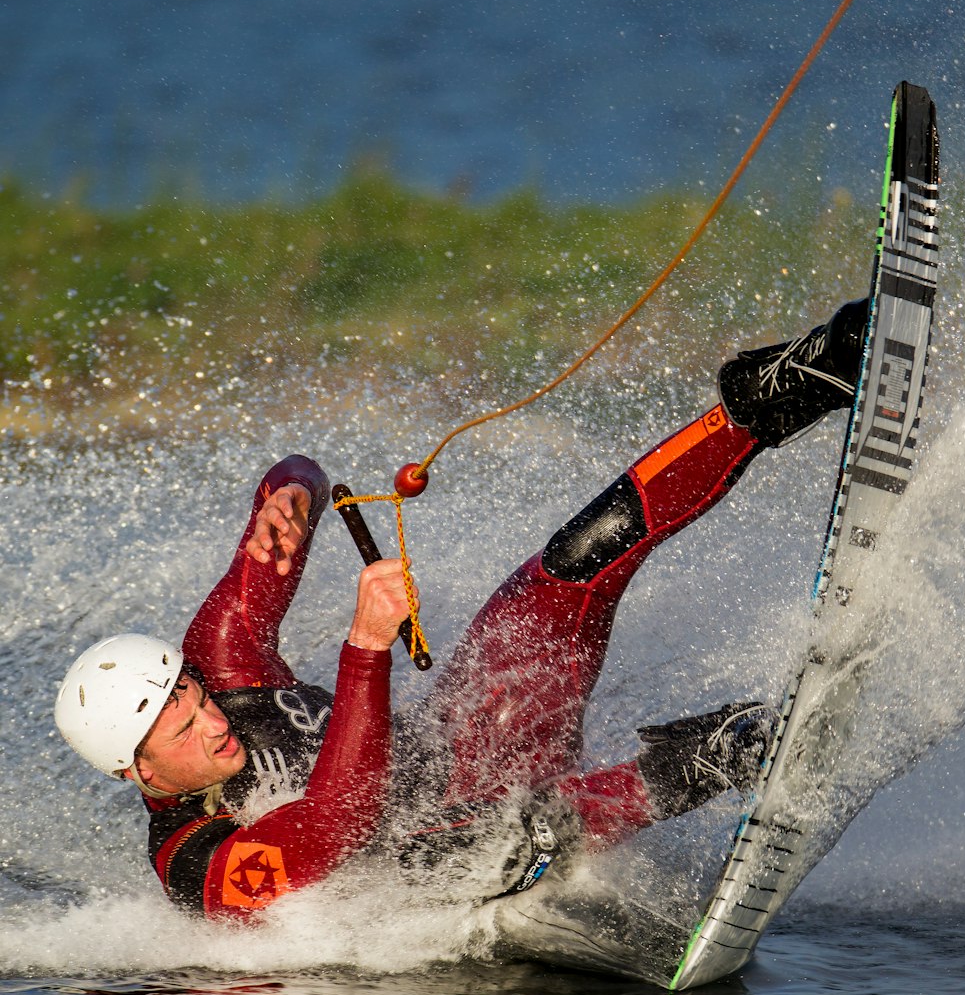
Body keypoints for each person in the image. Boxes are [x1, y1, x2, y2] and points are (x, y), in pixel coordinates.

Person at [55, 299, 867, 919]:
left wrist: (293, 501)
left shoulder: (223, 659)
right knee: (477, 843)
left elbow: (292, 471)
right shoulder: (198, 866)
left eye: (190, 696)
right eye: (179, 729)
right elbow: (339, 822)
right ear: (139, 771)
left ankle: (783, 390)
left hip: (474, 744)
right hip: (447, 869)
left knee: (566, 569)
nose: (209, 719)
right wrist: (366, 646)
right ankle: (728, 753)